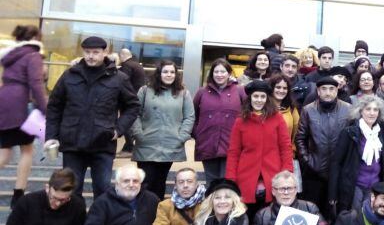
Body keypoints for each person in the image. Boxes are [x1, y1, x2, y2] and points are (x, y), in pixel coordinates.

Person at [45, 36, 140, 199]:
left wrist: (118, 129)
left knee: (103, 190)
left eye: (95, 52)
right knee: (72, 190)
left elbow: (133, 106)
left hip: (103, 142)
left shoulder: (118, 78)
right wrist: (51, 136)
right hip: (72, 142)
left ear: (105, 53)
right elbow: (54, 106)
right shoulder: (69, 75)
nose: (91, 56)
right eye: (87, 52)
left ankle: (99, 224)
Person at [226, 80, 293, 218]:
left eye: (262, 97)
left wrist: (286, 172)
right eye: (255, 96)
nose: (259, 100)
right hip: (246, 176)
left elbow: (285, 147)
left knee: (270, 218)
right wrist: (231, 179)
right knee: (247, 217)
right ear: (250, 98)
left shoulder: (277, 118)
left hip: (273, 175)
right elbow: (234, 152)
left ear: (267, 99)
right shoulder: (240, 121)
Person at [131, 60, 195, 200]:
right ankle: (141, 216)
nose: (169, 75)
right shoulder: (145, 91)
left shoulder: (183, 93)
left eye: (172, 72)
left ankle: (157, 216)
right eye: (165, 71)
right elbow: (134, 113)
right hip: (146, 144)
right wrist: (138, 134)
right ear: (159, 73)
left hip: (170, 144)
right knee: (145, 182)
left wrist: (182, 136)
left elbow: (189, 117)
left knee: (160, 183)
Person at [0, 25, 47, 207]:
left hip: (4, 101)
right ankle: (18, 194)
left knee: (5, 151)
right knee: (26, 150)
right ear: (36, 37)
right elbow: (35, 83)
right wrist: (44, 108)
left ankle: (18, 194)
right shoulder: (33, 55)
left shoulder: (11, 55)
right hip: (20, 105)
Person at [296, 76, 352, 211]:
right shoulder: (308, 110)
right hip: (314, 170)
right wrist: (307, 160)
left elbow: (352, 137)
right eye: (324, 89)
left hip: (339, 170)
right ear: (318, 91)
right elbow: (300, 138)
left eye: (332, 89)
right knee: (311, 209)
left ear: (337, 90)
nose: (328, 92)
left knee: (335, 211)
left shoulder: (348, 109)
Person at [329, 95, 384, 213]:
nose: (372, 113)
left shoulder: (380, 133)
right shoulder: (349, 132)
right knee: (355, 219)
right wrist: (332, 193)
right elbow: (336, 163)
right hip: (354, 187)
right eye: (368, 109)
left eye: (375, 110)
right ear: (360, 111)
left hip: (374, 187)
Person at [193, 59, 246, 185]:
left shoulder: (239, 91)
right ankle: (210, 205)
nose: (219, 75)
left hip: (232, 145)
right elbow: (193, 116)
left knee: (227, 182)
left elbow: (247, 115)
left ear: (229, 73)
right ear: (211, 74)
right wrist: (198, 135)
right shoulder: (202, 92)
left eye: (223, 71)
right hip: (207, 144)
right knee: (211, 183)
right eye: (216, 71)